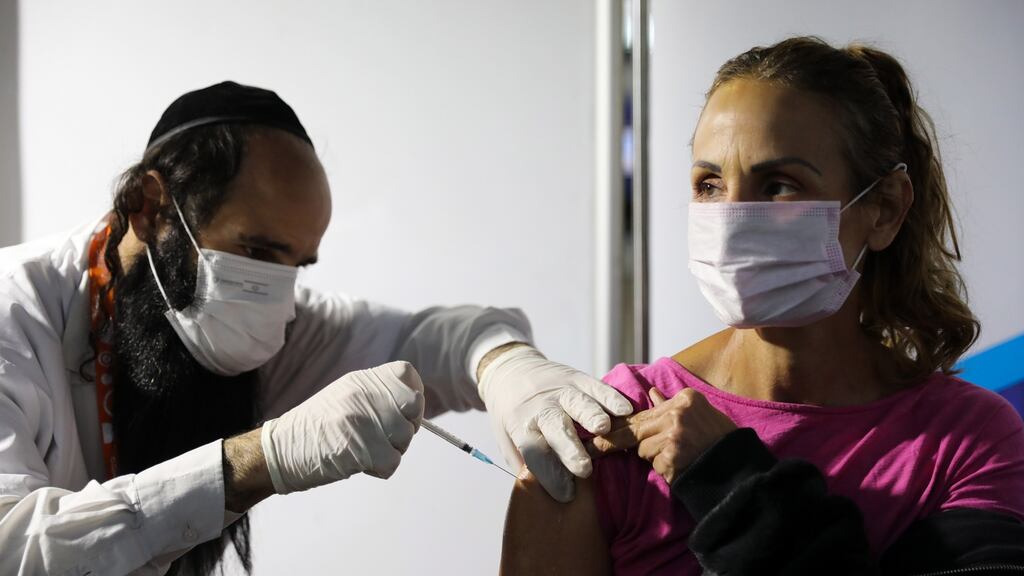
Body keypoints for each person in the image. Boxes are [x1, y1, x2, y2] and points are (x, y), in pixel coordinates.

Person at [0, 81, 633, 575]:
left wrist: (506, 366)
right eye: (259, 251)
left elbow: (435, 339)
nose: (278, 292)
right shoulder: (14, 312)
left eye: (297, 264)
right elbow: (14, 550)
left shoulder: (252, 322)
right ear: (149, 206)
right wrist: (258, 461)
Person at [500, 37, 1024, 575]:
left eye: (778, 185)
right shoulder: (613, 424)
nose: (730, 222)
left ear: (885, 209)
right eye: (709, 185)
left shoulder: (964, 441)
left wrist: (733, 485)